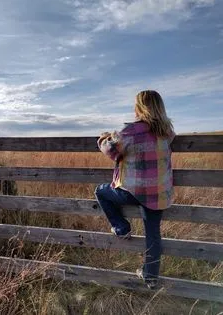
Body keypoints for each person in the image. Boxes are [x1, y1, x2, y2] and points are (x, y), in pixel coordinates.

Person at [94, 90, 175, 289]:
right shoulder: (167, 132)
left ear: (139, 108)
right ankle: (150, 277)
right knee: (153, 233)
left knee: (101, 191)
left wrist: (105, 139)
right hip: (158, 194)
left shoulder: (131, 131)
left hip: (132, 192)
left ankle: (122, 228)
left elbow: (111, 151)